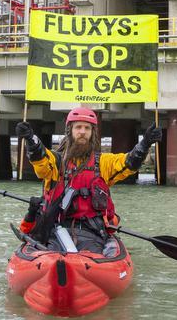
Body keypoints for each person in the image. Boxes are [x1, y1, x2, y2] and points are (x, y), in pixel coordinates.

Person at [15, 108, 162, 254]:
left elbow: (128, 162)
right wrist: (30, 139)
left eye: (87, 128)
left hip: (92, 233)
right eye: (78, 127)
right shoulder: (56, 162)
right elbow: (41, 159)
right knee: (52, 252)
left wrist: (146, 143)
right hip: (57, 231)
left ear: (92, 133)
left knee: (91, 252)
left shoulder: (103, 163)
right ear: (70, 131)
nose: (83, 132)